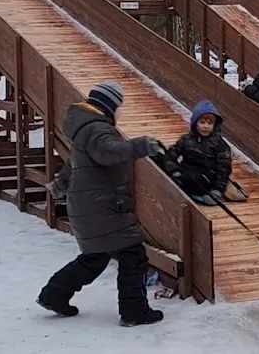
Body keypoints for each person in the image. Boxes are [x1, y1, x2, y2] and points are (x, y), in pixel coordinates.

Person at [37, 81, 166, 327]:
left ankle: (54, 294)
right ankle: (134, 311)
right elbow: (109, 152)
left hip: (88, 207)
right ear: (109, 105)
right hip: (103, 206)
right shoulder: (98, 130)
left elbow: (75, 166)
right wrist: (143, 146)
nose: (120, 112)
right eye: (119, 106)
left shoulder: (85, 130)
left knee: (95, 256)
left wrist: (59, 186)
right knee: (133, 254)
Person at [159, 99, 247, 206]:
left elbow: (223, 169)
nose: (206, 126)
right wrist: (174, 169)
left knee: (195, 180)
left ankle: (207, 194)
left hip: (207, 178)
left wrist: (217, 190)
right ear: (195, 123)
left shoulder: (219, 144)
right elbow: (170, 155)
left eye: (210, 123)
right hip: (186, 172)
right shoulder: (186, 140)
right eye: (202, 122)